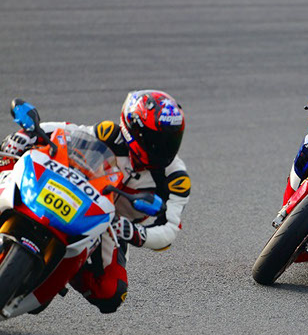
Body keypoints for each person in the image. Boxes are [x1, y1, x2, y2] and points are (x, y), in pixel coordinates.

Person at [0, 90, 191, 313]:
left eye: (171, 140)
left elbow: (169, 230)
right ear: (134, 130)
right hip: (73, 193)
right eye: (157, 139)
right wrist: (27, 135)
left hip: (111, 225)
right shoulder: (110, 134)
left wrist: (133, 232)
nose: (164, 148)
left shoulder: (175, 179)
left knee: (110, 293)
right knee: (12, 156)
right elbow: (64, 132)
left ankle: (61, 271)